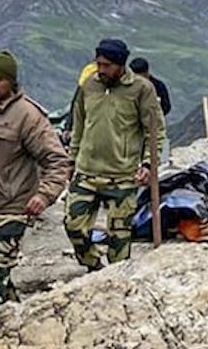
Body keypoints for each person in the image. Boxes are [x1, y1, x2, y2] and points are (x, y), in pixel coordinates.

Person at [0, 51, 72, 307]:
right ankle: (16, 316)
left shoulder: (28, 117)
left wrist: (44, 195)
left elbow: (57, 161)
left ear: (12, 81)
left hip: (11, 210)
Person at [65, 40, 166, 270]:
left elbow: (155, 130)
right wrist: (71, 160)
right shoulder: (88, 86)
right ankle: (93, 264)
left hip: (122, 176)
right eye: (98, 63)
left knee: (119, 238)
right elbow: (79, 126)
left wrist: (149, 165)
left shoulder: (141, 89)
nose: (101, 70)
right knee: (73, 226)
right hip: (87, 172)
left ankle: (115, 280)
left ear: (121, 65)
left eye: (107, 65)